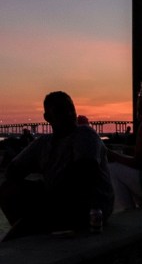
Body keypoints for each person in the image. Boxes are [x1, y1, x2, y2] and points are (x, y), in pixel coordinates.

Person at [0, 91, 114, 240]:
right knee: (7, 190)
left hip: (88, 205)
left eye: (71, 108)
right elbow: (12, 172)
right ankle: (39, 228)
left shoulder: (85, 134)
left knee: (22, 230)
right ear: (47, 118)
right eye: (61, 111)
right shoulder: (43, 143)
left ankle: (37, 228)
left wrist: (46, 179)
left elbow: (84, 174)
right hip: (56, 198)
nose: (68, 114)